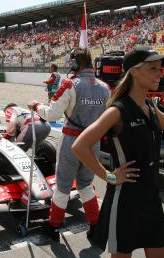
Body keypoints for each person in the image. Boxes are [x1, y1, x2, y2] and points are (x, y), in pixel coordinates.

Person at [71, 48, 164, 258]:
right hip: (125, 201)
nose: (159, 73)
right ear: (134, 71)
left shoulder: (149, 106)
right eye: (153, 68)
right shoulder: (117, 111)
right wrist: (108, 175)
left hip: (151, 198)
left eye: (160, 69)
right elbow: (80, 146)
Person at [28, 48, 111, 241]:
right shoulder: (105, 87)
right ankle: (96, 225)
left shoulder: (70, 84)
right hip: (93, 142)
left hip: (71, 142)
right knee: (86, 184)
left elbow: (52, 114)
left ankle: (53, 227)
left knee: (63, 186)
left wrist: (35, 105)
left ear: (75, 63)